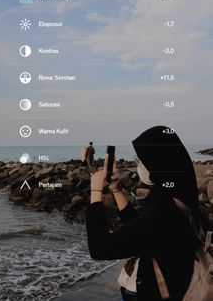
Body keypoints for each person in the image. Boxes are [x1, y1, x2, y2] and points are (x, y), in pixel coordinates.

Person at [86, 126, 202, 300]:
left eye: (141, 160)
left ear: (158, 161)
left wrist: (95, 191)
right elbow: (140, 226)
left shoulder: (164, 213)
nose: (139, 165)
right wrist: (117, 190)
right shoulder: (175, 195)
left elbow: (100, 247)